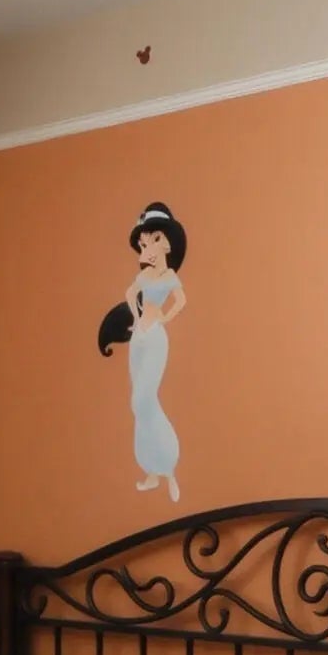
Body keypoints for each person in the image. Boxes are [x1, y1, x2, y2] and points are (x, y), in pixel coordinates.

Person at [96, 204, 188, 501]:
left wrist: (164, 317)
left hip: (156, 338)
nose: (149, 246)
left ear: (167, 243)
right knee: (138, 406)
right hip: (139, 337)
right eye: (145, 241)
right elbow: (129, 294)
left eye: (155, 239)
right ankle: (151, 471)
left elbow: (181, 301)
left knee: (143, 400)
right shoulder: (146, 275)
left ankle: (169, 467)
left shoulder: (169, 275)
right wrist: (136, 318)